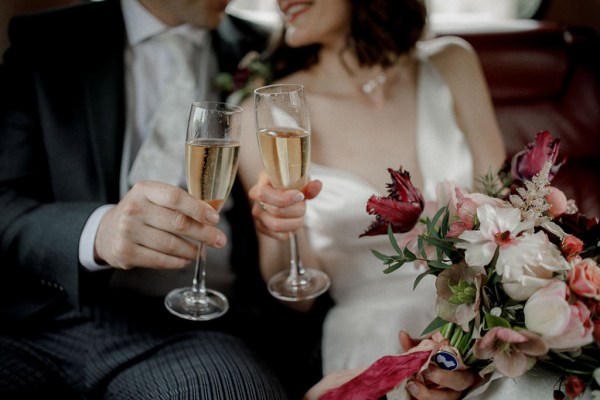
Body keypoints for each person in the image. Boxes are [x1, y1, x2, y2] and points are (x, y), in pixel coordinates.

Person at [0, 0, 325, 398]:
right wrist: (97, 233)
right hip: (44, 319)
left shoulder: (263, 46)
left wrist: (275, 214)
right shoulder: (48, 40)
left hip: (194, 331)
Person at [236, 0, 507, 398]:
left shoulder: (452, 63)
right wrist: (278, 226)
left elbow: (507, 212)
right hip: (372, 345)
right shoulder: (267, 116)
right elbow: (299, 300)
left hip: (489, 325)